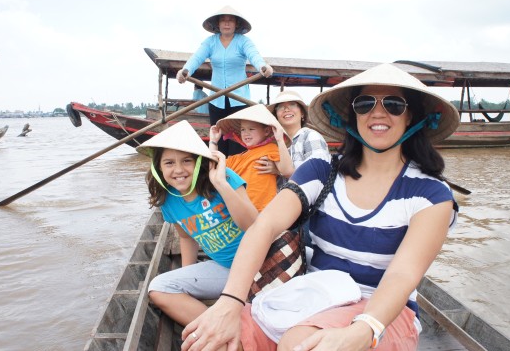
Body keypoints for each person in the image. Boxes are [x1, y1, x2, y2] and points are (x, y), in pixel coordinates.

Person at [182, 63, 461, 350]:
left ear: (411, 116)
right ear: (353, 116)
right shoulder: (322, 171)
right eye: (365, 104)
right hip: (313, 294)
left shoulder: (431, 194)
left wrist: (365, 329)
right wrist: (229, 302)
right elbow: (264, 227)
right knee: (215, 340)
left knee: (299, 342)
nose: (378, 113)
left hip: (383, 310)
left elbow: (402, 274)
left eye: (394, 104)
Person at [135, 120, 258, 327]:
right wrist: (186, 278)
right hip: (227, 270)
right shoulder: (168, 200)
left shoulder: (224, 177)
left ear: (198, 162)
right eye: (169, 163)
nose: (178, 170)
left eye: (186, 161)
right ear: (158, 167)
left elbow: (255, 226)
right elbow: (186, 237)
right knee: (159, 288)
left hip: (262, 263)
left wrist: (221, 184)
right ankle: (224, 330)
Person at [177, 5, 274, 157]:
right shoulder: (210, 42)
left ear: (236, 24)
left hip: (239, 100)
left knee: (238, 142)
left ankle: (237, 174)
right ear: (218, 24)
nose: (227, 23)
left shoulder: (243, 41)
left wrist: (263, 66)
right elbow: (196, 58)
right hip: (216, 99)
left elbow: (254, 56)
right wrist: (185, 71)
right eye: (223, 20)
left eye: (230, 20)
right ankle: (219, 172)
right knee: (218, 139)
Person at [210, 104, 293, 212]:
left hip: (263, 211)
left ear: (267, 131)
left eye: (251, 129)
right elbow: (213, 166)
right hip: (240, 211)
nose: (246, 133)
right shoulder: (238, 158)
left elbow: (287, 171)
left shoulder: (270, 148)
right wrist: (213, 141)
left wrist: (280, 140)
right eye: (243, 129)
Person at [256, 89, 331, 184]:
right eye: (280, 107)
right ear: (276, 116)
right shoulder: (275, 144)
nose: (286, 109)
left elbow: (319, 174)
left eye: (292, 104)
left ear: (302, 113)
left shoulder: (311, 136)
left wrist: (279, 171)